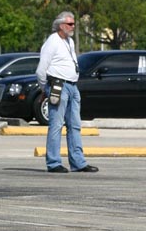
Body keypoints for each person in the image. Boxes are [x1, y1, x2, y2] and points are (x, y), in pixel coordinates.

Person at [35, 11, 99, 175]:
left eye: (73, 23)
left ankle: (78, 162)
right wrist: (45, 88)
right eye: (70, 24)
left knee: (75, 125)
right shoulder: (52, 42)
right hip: (58, 85)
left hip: (72, 86)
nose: (73, 26)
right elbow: (41, 70)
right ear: (60, 25)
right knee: (56, 125)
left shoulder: (69, 41)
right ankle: (53, 162)